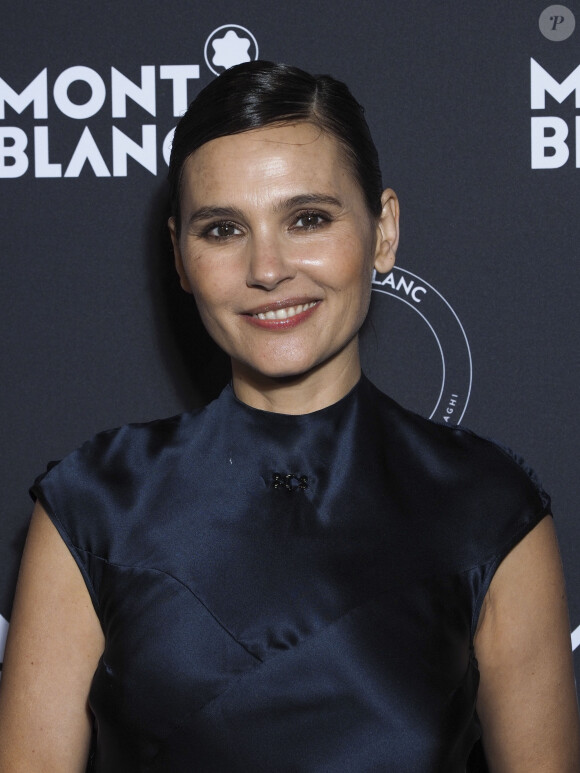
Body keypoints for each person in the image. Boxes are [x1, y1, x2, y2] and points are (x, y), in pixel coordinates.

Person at [0, 61, 578, 773]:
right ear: (180, 256)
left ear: (384, 230)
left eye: (307, 218)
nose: (267, 267)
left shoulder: (490, 510)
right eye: (222, 229)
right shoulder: (93, 505)